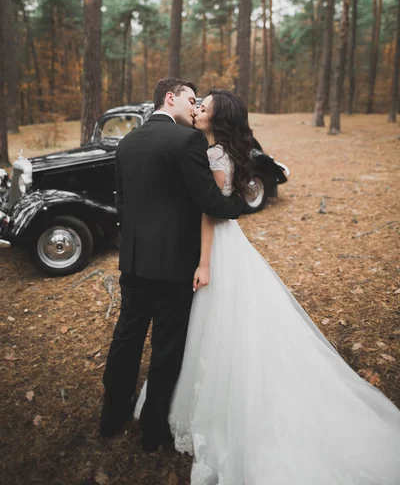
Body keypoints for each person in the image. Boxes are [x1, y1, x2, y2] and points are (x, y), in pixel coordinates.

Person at [135, 89, 400, 483]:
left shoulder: (215, 154)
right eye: (196, 104)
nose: (196, 109)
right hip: (220, 246)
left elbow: (211, 215)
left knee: (222, 325)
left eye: (203, 107)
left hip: (218, 250)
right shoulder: (207, 148)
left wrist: (204, 263)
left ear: (216, 117)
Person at [100, 78, 244, 452]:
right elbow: (209, 201)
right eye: (191, 99)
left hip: (133, 261)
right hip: (174, 264)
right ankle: (153, 430)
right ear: (171, 97)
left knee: (126, 338)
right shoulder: (187, 141)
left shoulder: (127, 142)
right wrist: (236, 207)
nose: (195, 106)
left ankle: (112, 415)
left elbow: (123, 202)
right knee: (167, 346)